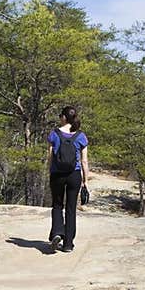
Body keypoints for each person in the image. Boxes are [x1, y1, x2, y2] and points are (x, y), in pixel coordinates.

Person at [47, 104, 89, 252]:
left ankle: (58, 232)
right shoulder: (81, 136)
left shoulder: (54, 134)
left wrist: (50, 171)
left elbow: (50, 157)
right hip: (74, 175)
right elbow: (84, 161)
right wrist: (85, 181)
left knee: (57, 205)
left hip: (57, 174)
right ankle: (68, 244)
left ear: (64, 118)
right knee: (71, 208)